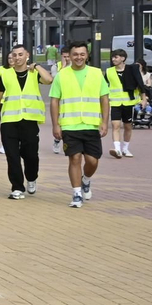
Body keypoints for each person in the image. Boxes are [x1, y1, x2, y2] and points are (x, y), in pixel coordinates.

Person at [49, 41, 110, 209]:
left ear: (87, 55)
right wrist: (56, 125)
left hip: (91, 125)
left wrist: (105, 122)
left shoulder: (97, 74)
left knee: (92, 161)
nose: (79, 57)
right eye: (75, 54)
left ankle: (86, 180)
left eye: (82, 54)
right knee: (74, 158)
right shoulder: (62, 75)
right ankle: (76, 193)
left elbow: (104, 99)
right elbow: (54, 100)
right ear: (70, 55)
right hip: (70, 125)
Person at [0, 43, 51, 199]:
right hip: (9, 120)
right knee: (12, 155)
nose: (17, 58)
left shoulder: (34, 73)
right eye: (14, 55)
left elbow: (49, 79)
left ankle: (31, 178)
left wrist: (36, 66)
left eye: (20, 55)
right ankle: (17, 187)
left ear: (27, 56)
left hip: (29, 121)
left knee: (30, 154)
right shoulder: (6, 74)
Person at [104, 49, 144, 158]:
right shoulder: (109, 71)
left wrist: (143, 99)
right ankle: (117, 149)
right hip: (115, 103)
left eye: (116, 57)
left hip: (128, 103)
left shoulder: (131, 70)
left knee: (128, 126)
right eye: (112, 57)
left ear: (123, 58)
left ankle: (125, 148)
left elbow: (140, 84)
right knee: (115, 125)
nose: (113, 59)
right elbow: (104, 87)